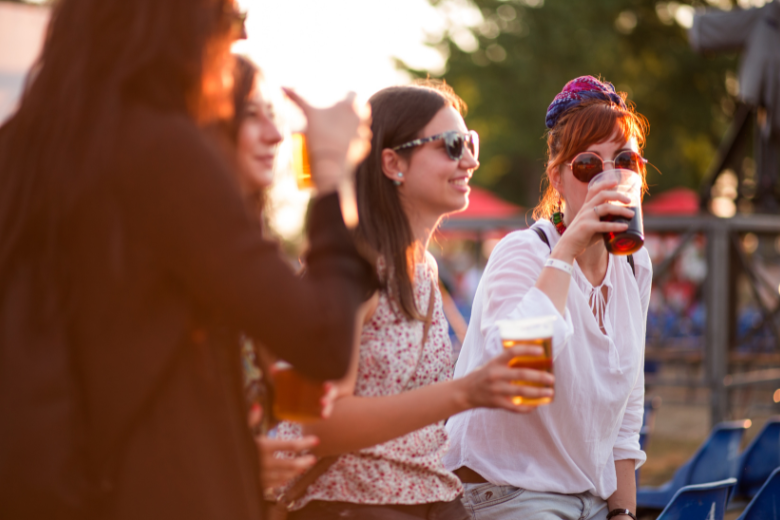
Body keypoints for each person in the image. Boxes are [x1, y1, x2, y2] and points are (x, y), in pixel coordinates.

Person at [0, 1, 375, 519]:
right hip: (165, 490)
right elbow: (322, 339)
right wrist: (334, 174)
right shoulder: (159, 148)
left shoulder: (22, 148)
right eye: (231, 18)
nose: (238, 40)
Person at [276, 82, 555, 520]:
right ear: (392, 162)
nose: (471, 159)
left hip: (432, 496)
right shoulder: (353, 264)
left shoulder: (423, 268)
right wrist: (466, 392)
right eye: (452, 145)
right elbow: (321, 422)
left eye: (471, 143)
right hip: (353, 501)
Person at [443, 76, 652, 520]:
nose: (608, 176)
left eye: (624, 160)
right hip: (505, 493)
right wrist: (568, 248)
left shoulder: (635, 265)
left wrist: (622, 514)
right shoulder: (522, 253)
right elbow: (520, 372)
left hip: (590, 501)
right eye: (587, 165)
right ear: (558, 178)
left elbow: (627, 410)